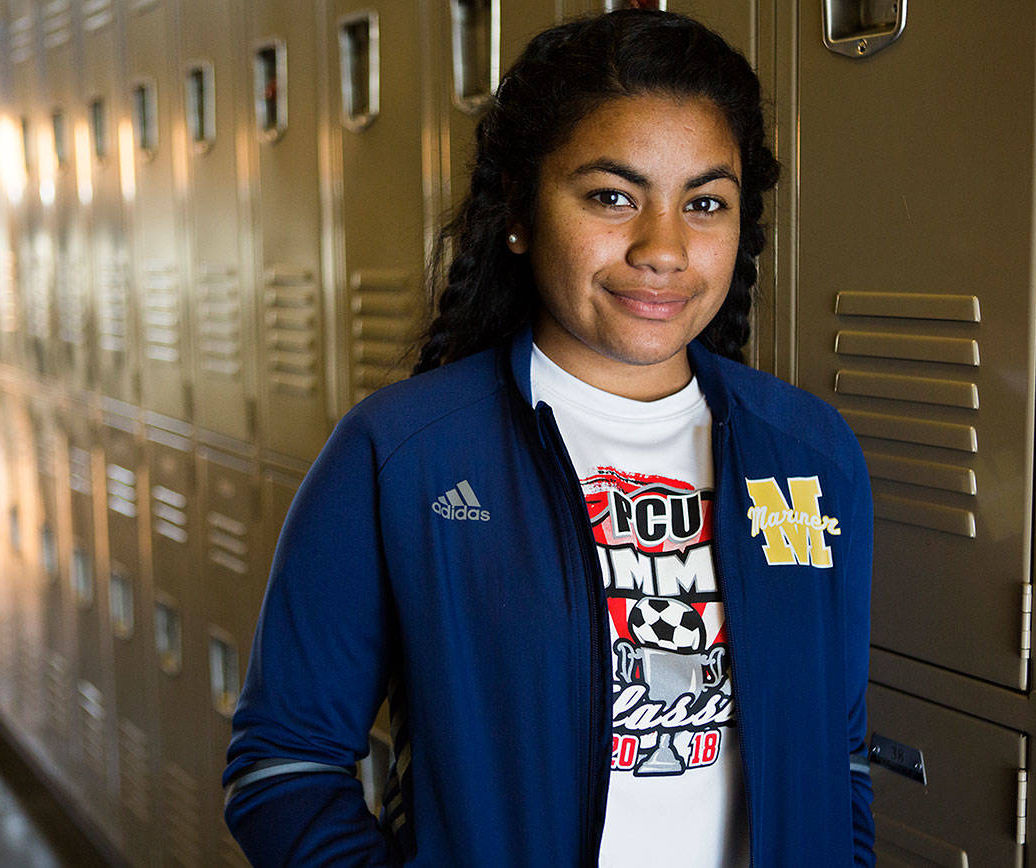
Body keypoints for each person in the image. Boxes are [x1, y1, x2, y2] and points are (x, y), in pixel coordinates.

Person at [224, 9, 874, 866]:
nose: (664, 247)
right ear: (521, 212)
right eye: (613, 196)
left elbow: (843, 752)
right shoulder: (405, 455)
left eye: (705, 203)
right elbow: (285, 767)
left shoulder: (810, 455)